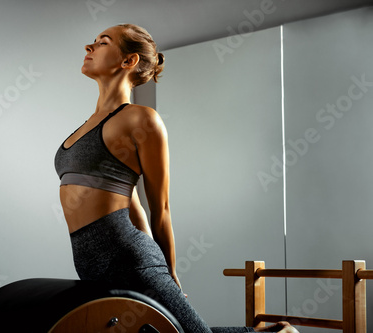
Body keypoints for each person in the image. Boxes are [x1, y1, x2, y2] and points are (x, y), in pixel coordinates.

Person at [54, 23, 298, 333]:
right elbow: (130, 202)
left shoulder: (142, 119)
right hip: (88, 260)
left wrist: (169, 270)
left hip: (127, 257)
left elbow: (162, 207)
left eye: (102, 43)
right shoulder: (83, 126)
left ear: (128, 61)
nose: (89, 48)